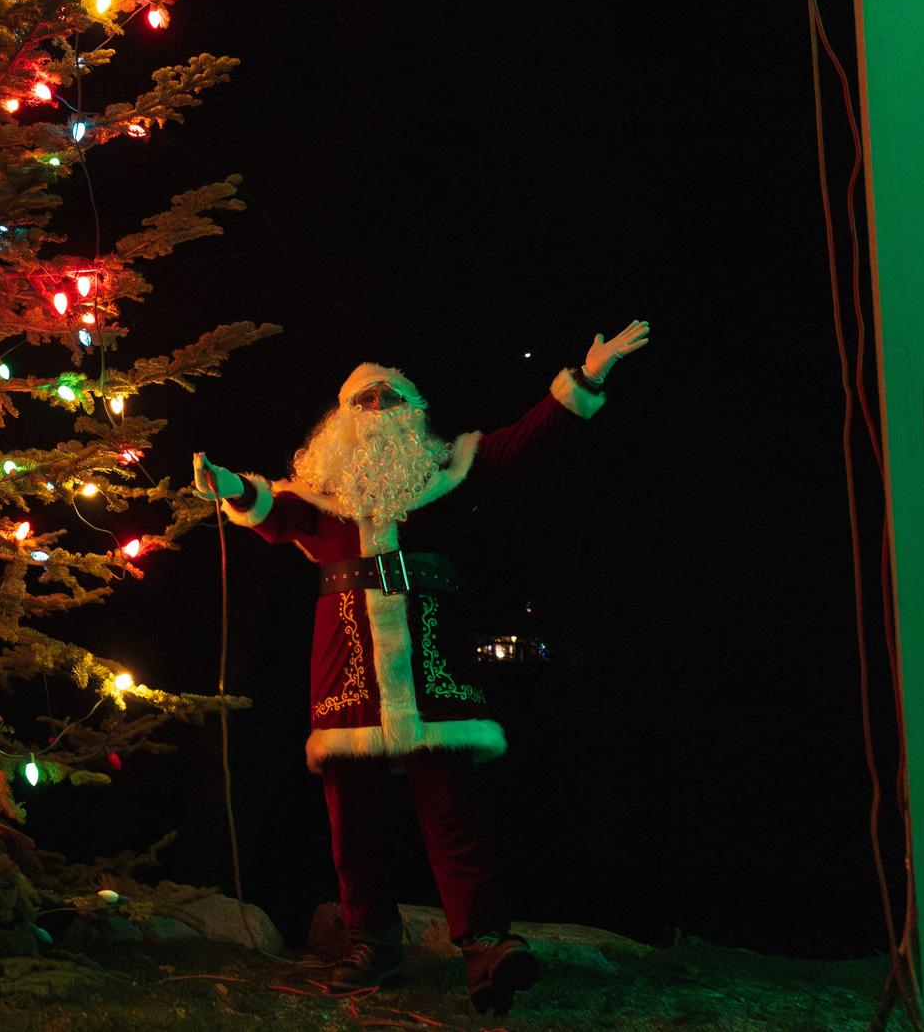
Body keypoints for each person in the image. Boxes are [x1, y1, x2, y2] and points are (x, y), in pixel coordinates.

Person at [192, 320, 650, 1013]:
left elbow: (524, 440)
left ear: (414, 412)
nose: (378, 408)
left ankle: (485, 946)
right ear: (343, 417)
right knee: (352, 815)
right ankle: (371, 941)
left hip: (432, 658)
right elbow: (266, 509)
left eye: (391, 398)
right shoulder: (317, 496)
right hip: (349, 663)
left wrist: (586, 378)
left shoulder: (447, 472)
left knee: (451, 804)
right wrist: (226, 482)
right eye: (365, 399)